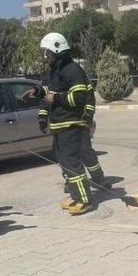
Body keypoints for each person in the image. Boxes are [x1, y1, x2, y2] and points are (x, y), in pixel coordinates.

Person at [23, 32, 94, 215]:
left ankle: (85, 200)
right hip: (59, 126)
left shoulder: (72, 70)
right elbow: (49, 91)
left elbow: (79, 97)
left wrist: (56, 98)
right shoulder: (55, 71)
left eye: (48, 53)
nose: (46, 56)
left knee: (72, 163)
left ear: (57, 50)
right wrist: (37, 91)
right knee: (65, 164)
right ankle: (75, 195)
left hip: (70, 125)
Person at [39, 77, 110, 194]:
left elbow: (89, 98)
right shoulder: (48, 78)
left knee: (86, 152)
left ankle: (100, 180)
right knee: (64, 157)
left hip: (78, 125)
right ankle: (71, 183)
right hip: (59, 127)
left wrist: (88, 116)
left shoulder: (75, 74)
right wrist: (42, 119)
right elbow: (43, 101)